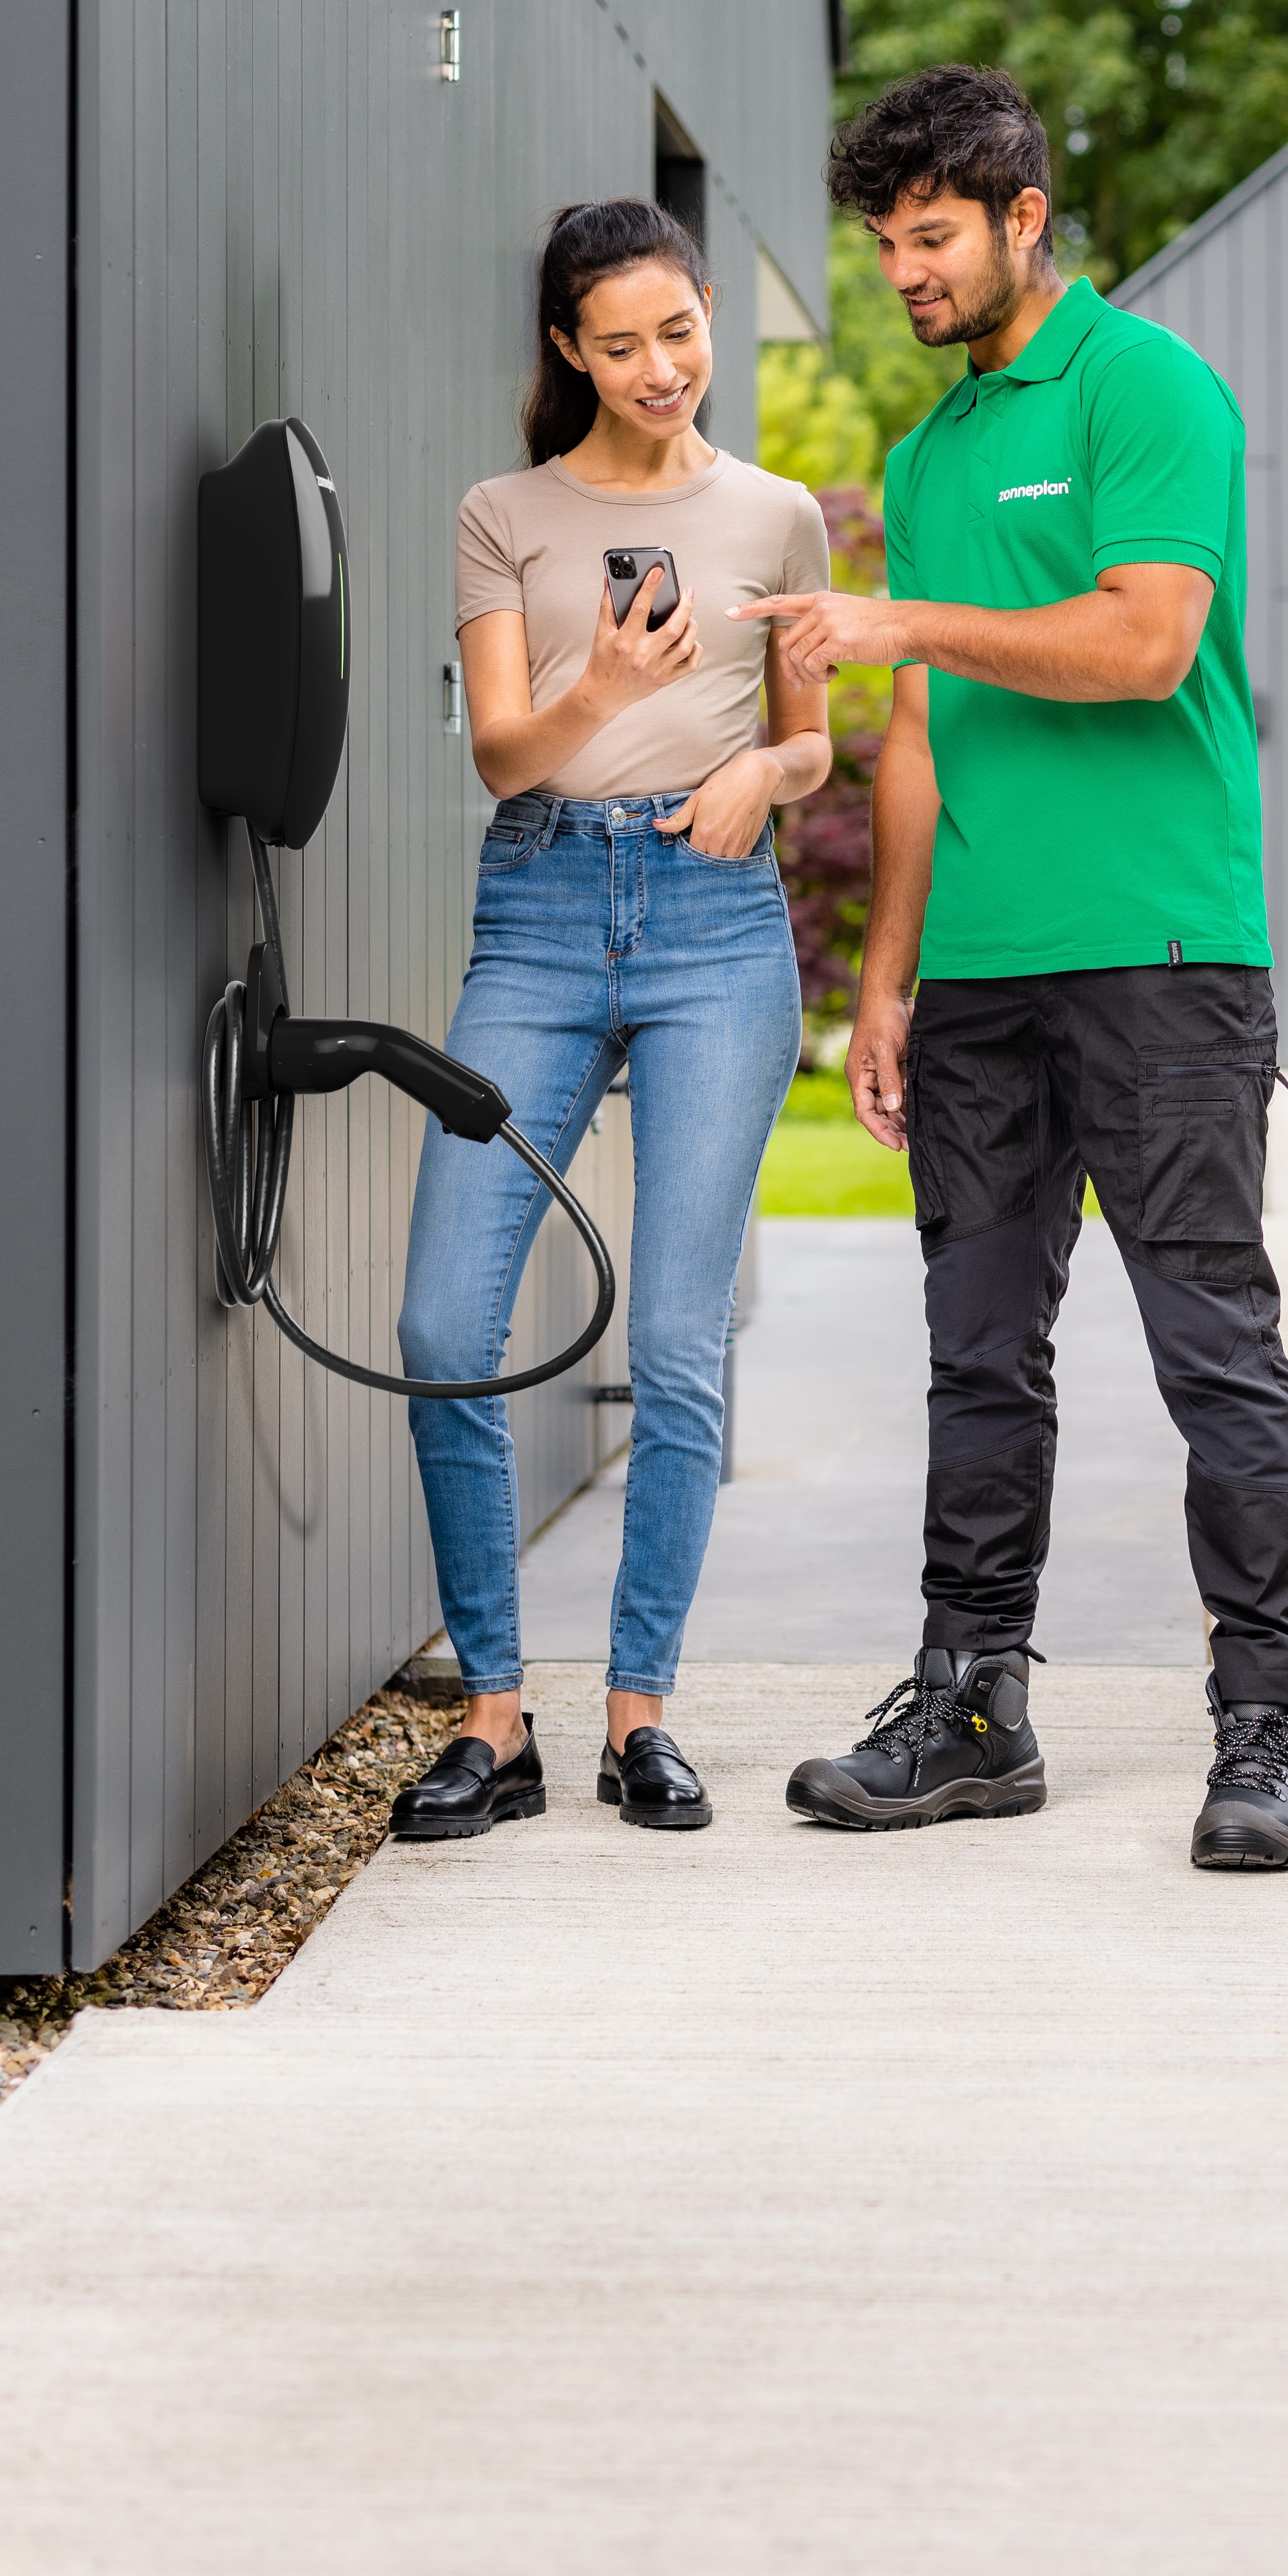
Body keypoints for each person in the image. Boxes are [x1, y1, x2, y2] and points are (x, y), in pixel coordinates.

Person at [739, 65, 1288, 1873]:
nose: (903, 273)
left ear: (1024, 220)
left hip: (1160, 957)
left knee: (1211, 1347)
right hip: (984, 982)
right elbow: (917, 732)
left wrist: (903, 617)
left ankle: (1268, 1724)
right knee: (978, 1356)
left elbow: (1149, 645)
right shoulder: (924, 460)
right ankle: (972, 1702)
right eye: (882, 244)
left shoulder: (1149, 390)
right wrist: (887, 980)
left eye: (930, 237)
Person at [387, 197, 831, 1846]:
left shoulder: (782, 519)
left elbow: (814, 751)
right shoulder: (503, 514)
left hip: (719, 928)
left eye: (682, 332)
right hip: (544, 918)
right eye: (623, 343)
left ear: (712, 313)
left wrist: (757, 772)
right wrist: (613, 694)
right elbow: (506, 754)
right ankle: (497, 1720)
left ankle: (640, 1710)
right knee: (446, 1331)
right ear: (569, 347)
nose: (660, 368)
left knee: (676, 1344)